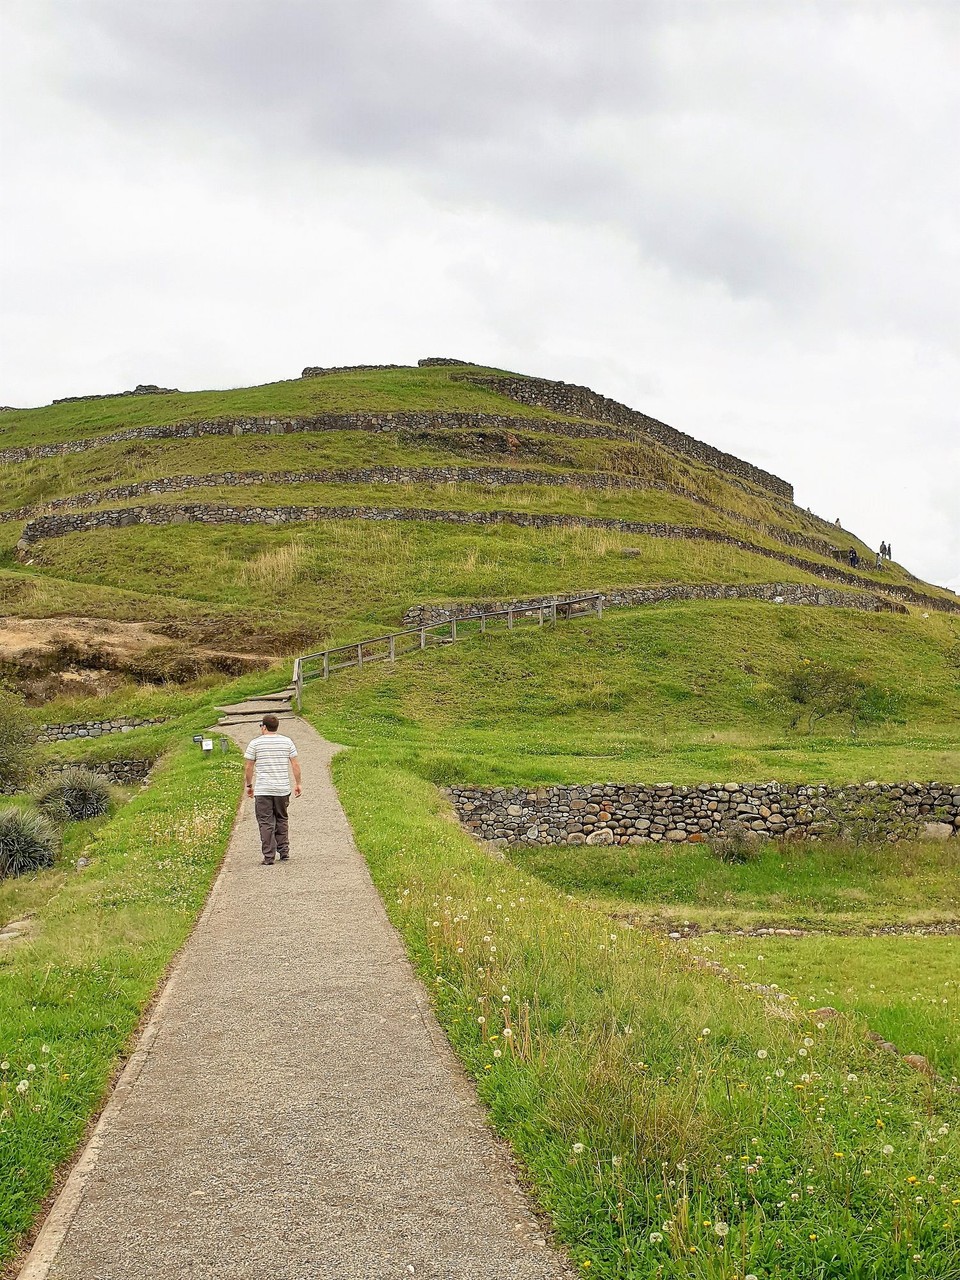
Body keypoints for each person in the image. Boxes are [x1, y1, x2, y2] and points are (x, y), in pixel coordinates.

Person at [243, 713, 302, 865]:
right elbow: (295, 764)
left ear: (263, 727)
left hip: (263, 790)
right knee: (282, 818)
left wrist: (249, 785)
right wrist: (298, 783)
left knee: (265, 822)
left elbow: (249, 766)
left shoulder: (255, 744)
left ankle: (269, 856)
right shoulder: (287, 741)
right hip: (282, 789)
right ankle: (284, 851)